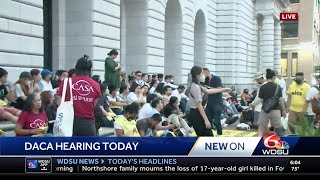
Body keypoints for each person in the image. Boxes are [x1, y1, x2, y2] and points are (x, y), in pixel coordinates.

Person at [57, 55, 101, 136]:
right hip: (87, 124)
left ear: (76, 68)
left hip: (68, 123)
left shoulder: (66, 82)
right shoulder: (96, 85)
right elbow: (93, 105)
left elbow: (59, 103)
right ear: (90, 70)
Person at [256, 69, 286, 136]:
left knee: (261, 127)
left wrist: (266, 107)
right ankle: (283, 143)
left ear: (266, 78)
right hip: (276, 110)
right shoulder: (278, 87)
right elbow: (281, 100)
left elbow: (261, 100)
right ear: (273, 77)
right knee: (278, 129)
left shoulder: (262, 87)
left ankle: (259, 143)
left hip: (265, 110)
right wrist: (283, 110)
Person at [203, 68, 231, 136]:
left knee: (216, 121)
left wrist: (208, 88)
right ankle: (210, 134)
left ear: (206, 72)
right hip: (209, 102)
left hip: (217, 102)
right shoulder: (205, 80)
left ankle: (219, 134)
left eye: (203, 74)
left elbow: (219, 89)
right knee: (208, 120)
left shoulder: (216, 79)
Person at [188, 66, 212, 136]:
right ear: (197, 74)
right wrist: (206, 120)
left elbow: (208, 91)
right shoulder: (196, 87)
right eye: (202, 73)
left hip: (196, 112)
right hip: (196, 113)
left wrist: (223, 90)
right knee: (205, 135)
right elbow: (199, 105)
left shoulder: (197, 85)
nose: (203, 75)